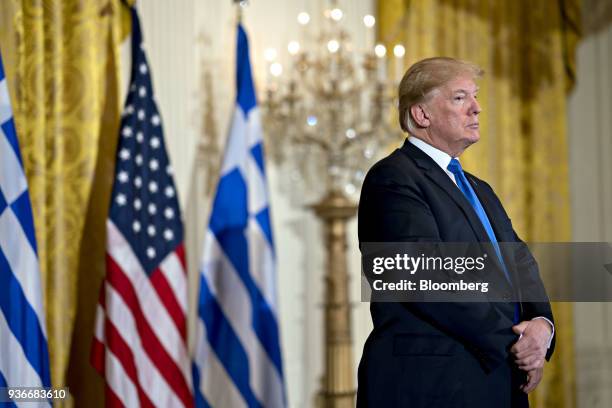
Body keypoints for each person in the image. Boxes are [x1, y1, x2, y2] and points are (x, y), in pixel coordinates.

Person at [356, 57, 555, 408]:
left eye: (475, 97)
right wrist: (515, 343)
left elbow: (521, 262)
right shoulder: (393, 178)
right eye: (460, 98)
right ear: (421, 114)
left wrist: (540, 326)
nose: (477, 109)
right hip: (432, 387)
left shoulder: (480, 189)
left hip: (494, 380)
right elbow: (422, 275)